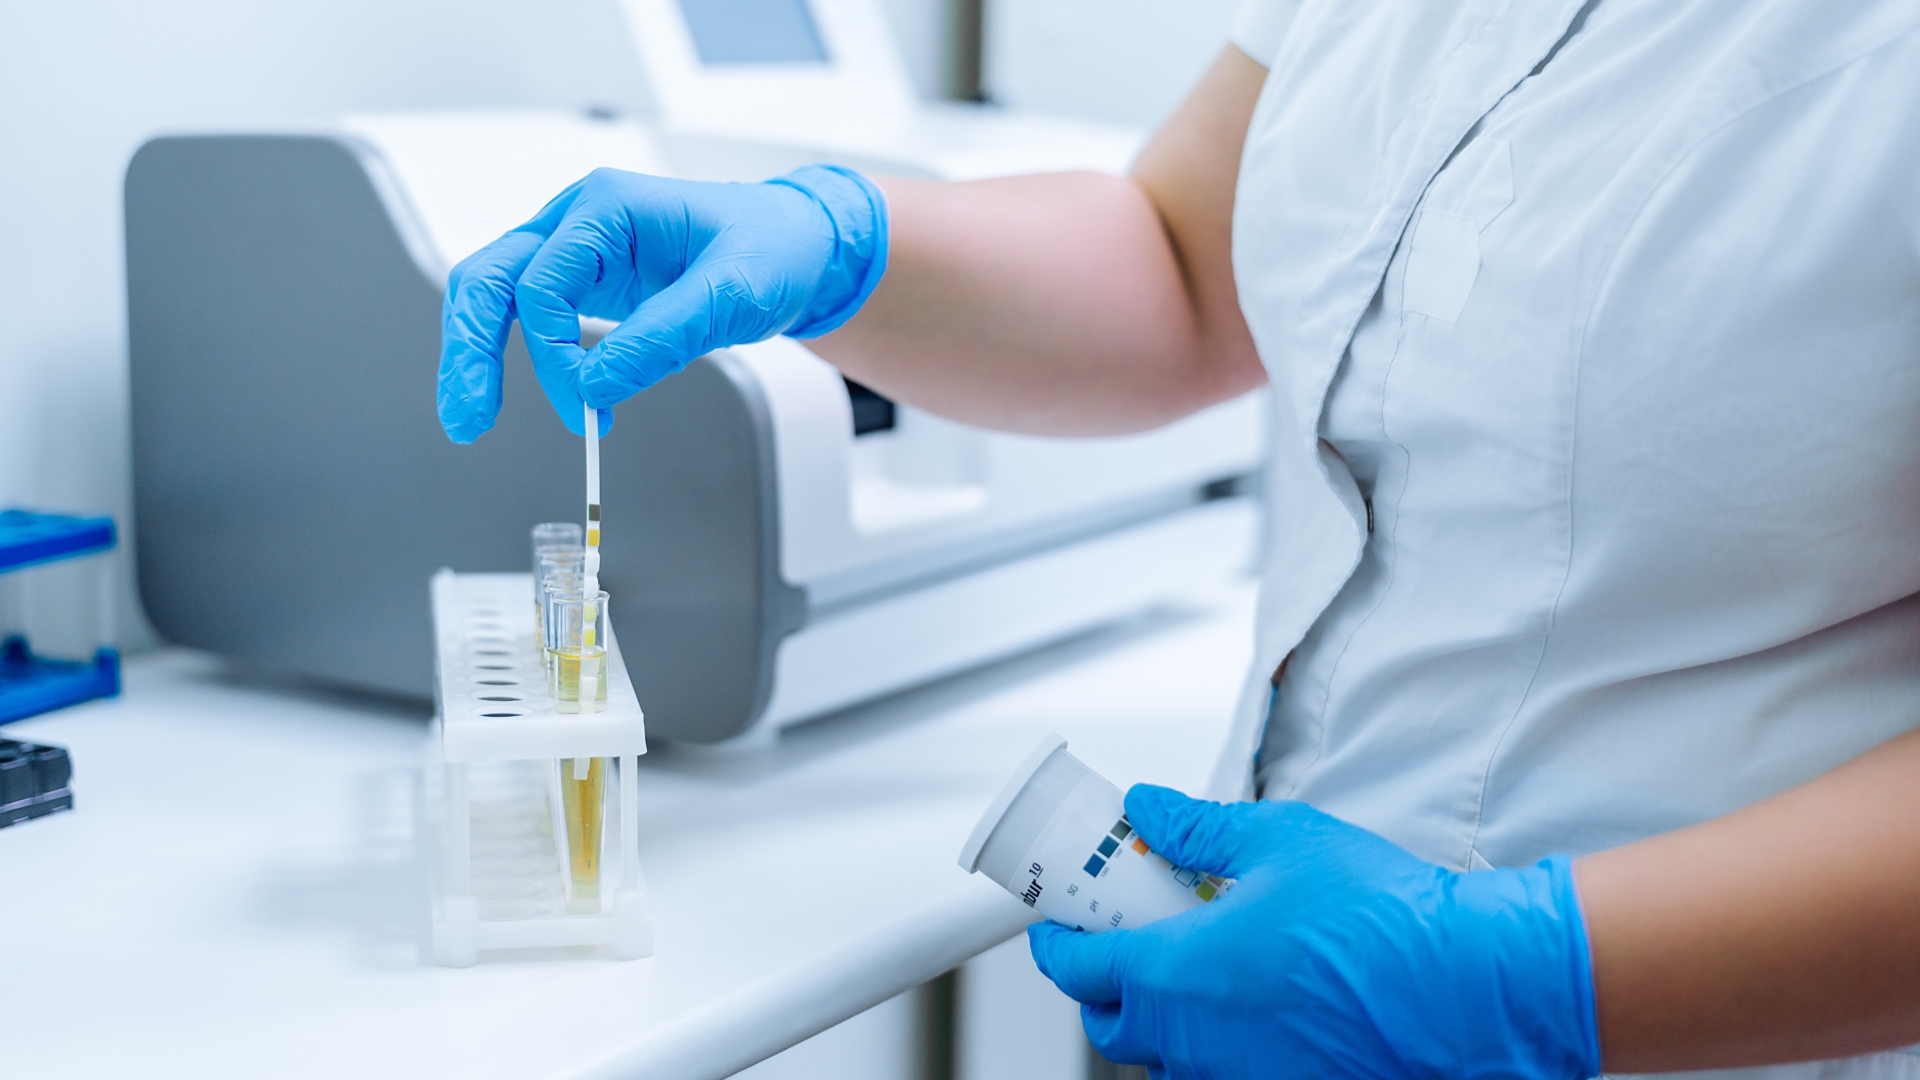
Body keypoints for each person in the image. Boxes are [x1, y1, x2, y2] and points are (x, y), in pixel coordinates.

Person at [438, 0, 1920, 1076]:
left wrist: (1501, 979)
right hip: (1246, 995)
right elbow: (1181, 257)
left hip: (1692, 1039)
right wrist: (837, 244)